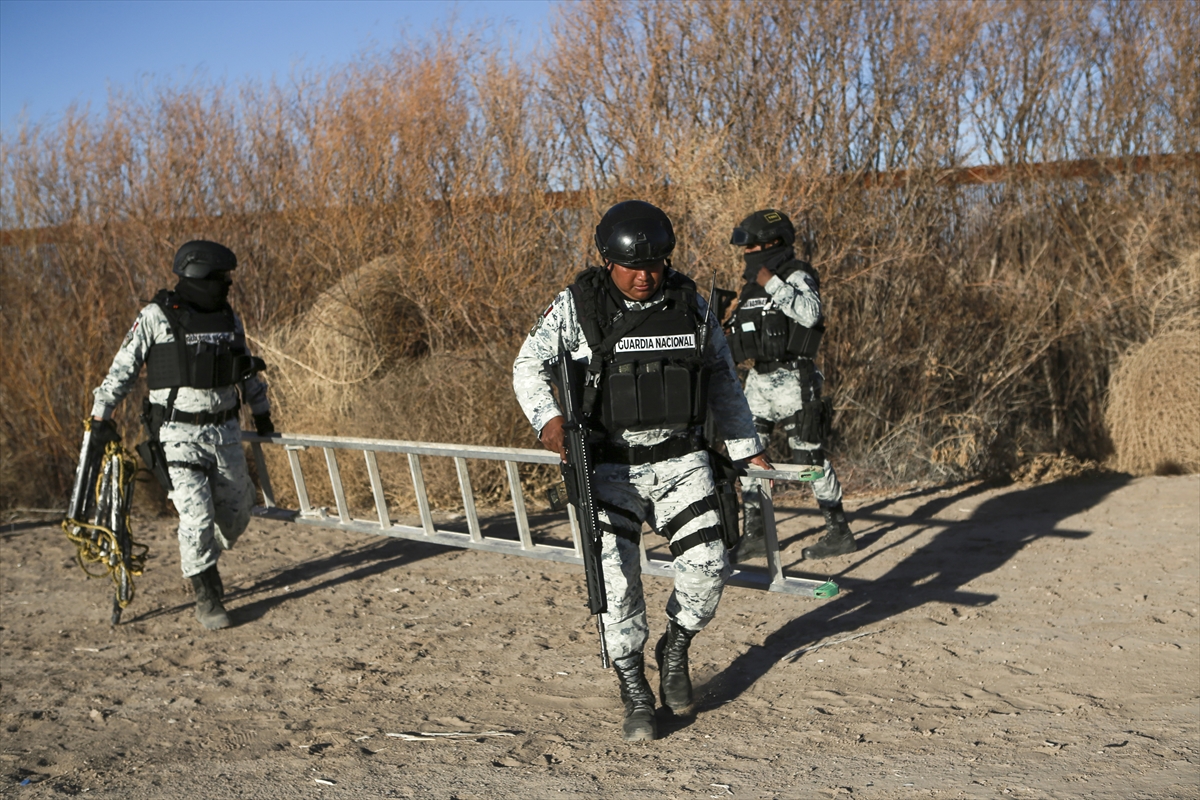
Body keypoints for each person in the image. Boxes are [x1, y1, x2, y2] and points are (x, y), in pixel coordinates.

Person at [513, 201, 770, 742]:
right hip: (609, 468)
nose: (643, 276)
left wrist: (746, 448)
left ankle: (674, 649)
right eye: (632, 265)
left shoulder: (690, 303)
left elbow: (722, 376)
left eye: (654, 264)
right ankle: (634, 688)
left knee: (707, 569)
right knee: (616, 585)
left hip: (681, 460)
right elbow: (528, 365)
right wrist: (550, 422)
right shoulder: (577, 307)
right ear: (608, 260)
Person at [89, 240, 273, 630]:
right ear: (200, 275)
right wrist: (101, 417)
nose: (227, 285)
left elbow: (246, 369)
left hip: (224, 429)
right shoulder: (157, 315)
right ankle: (207, 593)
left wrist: (262, 412)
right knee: (197, 515)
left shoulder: (227, 316)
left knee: (240, 510)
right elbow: (122, 368)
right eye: (222, 277)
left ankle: (201, 557)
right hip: (177, 433)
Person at [723, 209, 856, 561]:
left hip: (795, 381)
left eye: (754, 246)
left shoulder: (795, 275)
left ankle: (838, 530)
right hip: (758, 383)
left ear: (773, 243)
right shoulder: (751, 284)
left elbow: (811, 314)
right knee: (748, 455)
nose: (749, 253)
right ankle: (755, 535)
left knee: (809, 458)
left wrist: (773, 283)